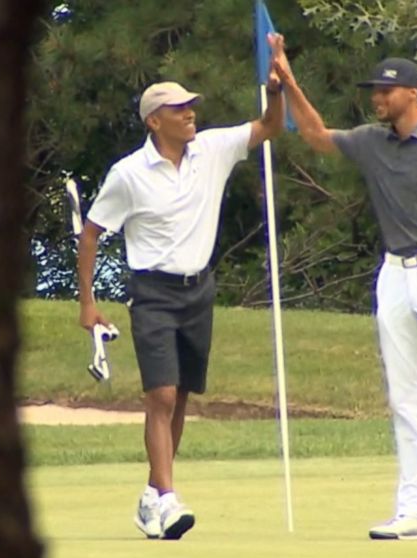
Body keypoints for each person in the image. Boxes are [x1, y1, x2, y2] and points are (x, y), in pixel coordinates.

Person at [270, 35, 417, 540]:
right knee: (403, 397)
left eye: (386, 91)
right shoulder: (370, 141)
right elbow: (314, 134)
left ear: (413, 95)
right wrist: (289, 82)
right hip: (395, 274)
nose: (377, 98)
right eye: (375, 91)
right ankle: (415, 510)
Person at [76, 69, 285, 539]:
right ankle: (168, 500)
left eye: (191, 106)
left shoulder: (211, 149)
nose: (190, 113)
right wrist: (87, 304)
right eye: (178, 109)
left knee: (182, 396)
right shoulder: (128, 174)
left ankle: (154, 494)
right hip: (152, 292)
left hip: (199, 290)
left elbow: (269, 127)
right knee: (161, 394)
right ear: (154, 121)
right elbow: (91, 234)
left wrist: (274, 93)